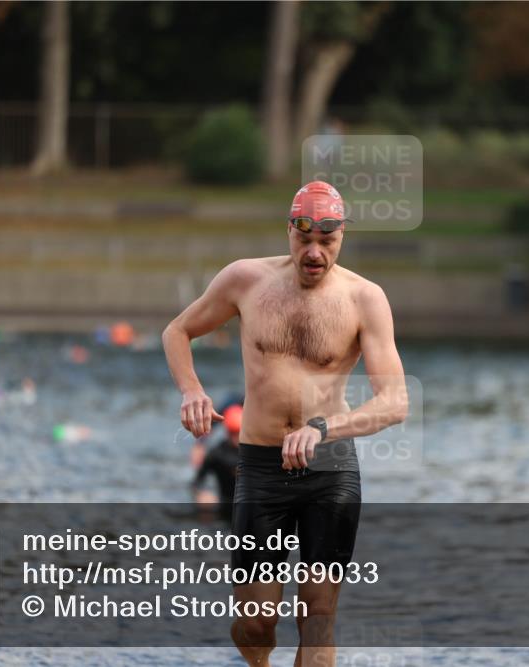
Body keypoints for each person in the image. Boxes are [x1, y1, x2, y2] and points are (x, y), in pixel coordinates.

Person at [163, 180, 408, 667]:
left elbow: (396, 401)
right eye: (305, 238)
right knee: (256, 622)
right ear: (289, 231)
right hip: (259, 464)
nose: (314, 252)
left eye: (327, 240)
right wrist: (192, 389)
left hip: (329, 467)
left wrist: (324, 428)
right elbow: (178, 331)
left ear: (342, 236)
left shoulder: (365, 299)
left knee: (317, 614)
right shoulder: (245, 281)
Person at [191, 404, 242, 519]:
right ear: (227, 432)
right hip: (224, 506)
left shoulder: (253, 453)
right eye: (232, 432)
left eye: (239, 432)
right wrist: (201, 495)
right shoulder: (217, 454)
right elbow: (196, 482)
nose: (236, 438)